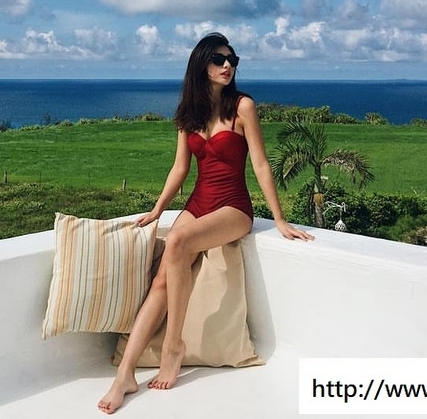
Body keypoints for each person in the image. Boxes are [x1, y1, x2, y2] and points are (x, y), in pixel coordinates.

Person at [98, 32, 313, 414]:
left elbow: (261, 164)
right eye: (219, 59)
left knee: (177, 243)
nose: (228, 65)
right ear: (202, 64)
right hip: (198, 202)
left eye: (232, 60)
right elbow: (179, 169)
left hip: (233, 207)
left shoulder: (243, 106)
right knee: (161, 279)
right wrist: (157, 209)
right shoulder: (189, 113)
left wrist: (279, 219)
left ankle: (173, 346)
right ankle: (125, 375)